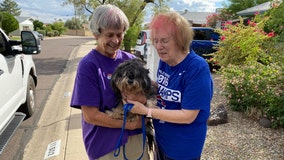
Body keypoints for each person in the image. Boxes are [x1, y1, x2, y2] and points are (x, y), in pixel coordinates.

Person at [127, 11, 213, 160]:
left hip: (182, 149)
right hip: (162, 141)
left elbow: (188, 116)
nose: (159, 46)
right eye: (155, 40)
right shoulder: (165, 61)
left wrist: (146, 111)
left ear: (180, 39)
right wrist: (143, 84)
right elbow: (165, 91)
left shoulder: (197, 68)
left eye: (164, 41)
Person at [70, 4, 148, 160]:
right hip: (105, 144)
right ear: (96, 34)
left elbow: (148, 94)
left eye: (119, 34)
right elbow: (90, 116)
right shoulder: (89, 65)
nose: (116, 40)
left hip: (137, 139)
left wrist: (143, 101)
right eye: (110, 35)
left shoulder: (131, 60)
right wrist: (130, 125)